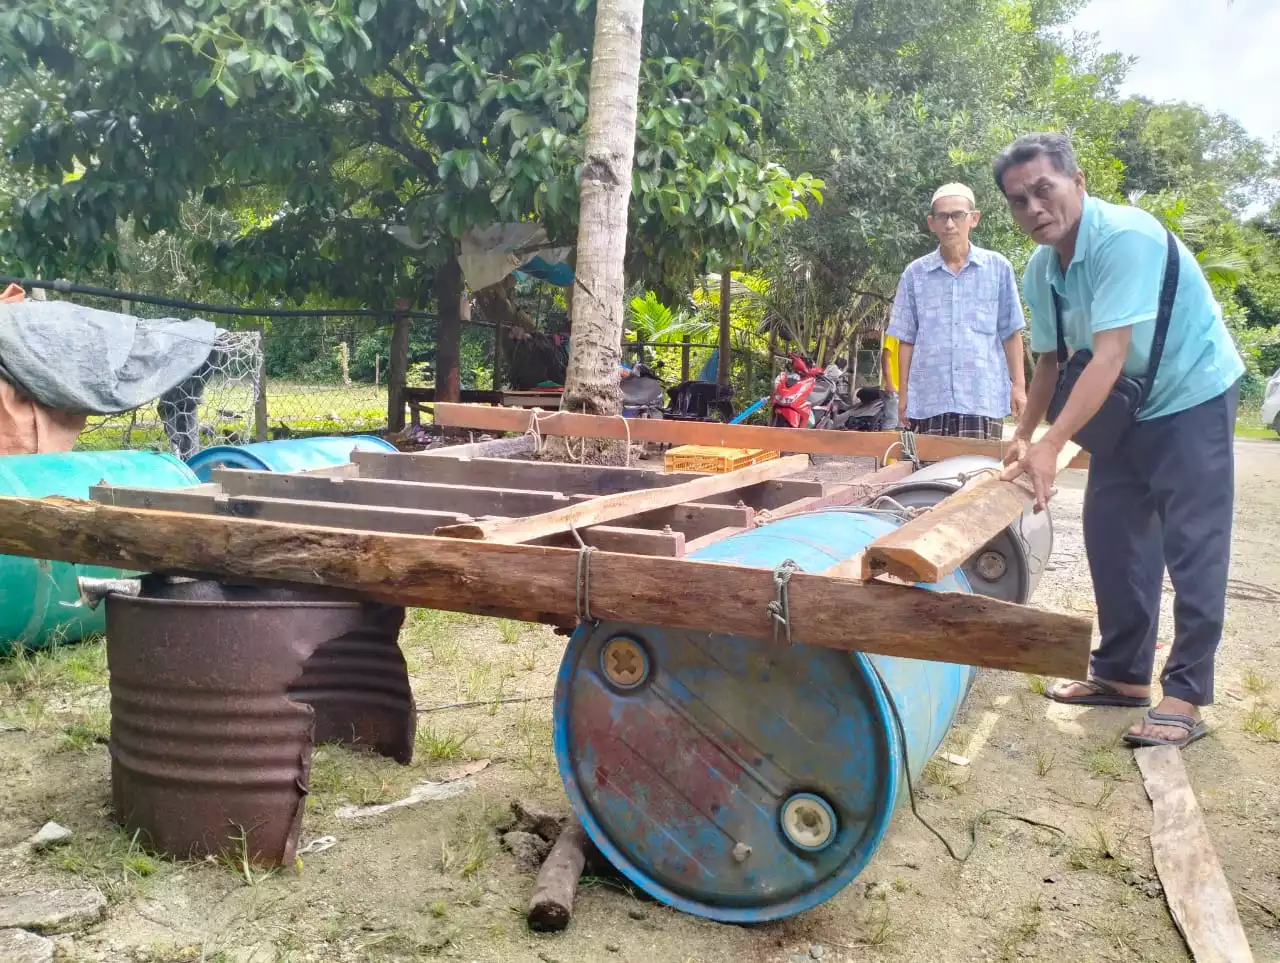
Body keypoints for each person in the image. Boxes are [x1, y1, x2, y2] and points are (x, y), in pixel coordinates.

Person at [995, 132, 1245, 749]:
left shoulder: (1126, 238)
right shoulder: (1040, 266)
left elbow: (1108, 355)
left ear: (1078, 182)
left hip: (1192, 396)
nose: (1034, 209)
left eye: (1043, 190)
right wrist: (1023, 436)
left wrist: (1055, 446)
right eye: (1018, 200)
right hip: (1123, 408)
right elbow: (1051, 363)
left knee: (1192, 544)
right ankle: (1123, 677)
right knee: (1113, 535)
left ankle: (1184, 695)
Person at [887, 183, 1028, 440]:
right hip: (929, 398)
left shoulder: (997, 268)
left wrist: (1019, 386)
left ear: (974, 218)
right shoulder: (915, 274)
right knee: (929, 477)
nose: (949, 224)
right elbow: (906, 339)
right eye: (942, 216)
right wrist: (905, 394)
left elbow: (1010, 332)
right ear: (932, 223)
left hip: (981, 397)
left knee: (976, 476)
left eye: (957, 215)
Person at [880, 334, 901, 429]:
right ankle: (885, 443)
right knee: (892, 422)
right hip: (892, 387)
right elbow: (885, 357)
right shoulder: (894, 334)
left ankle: (900, 444)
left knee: (901, 425)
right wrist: (889, 382)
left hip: (903, 389)